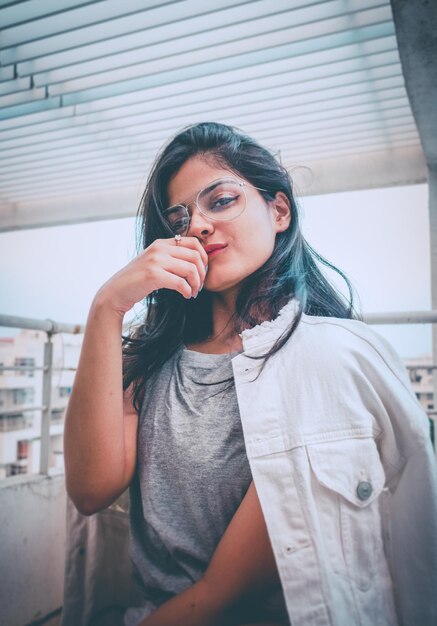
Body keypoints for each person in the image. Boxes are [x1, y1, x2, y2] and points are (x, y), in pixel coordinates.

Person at [64, 122, 437, 626]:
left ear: (279, 210)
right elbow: (91, 490)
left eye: (220, 201)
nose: (196, 225)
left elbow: (224, 592)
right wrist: (106, 307)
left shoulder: (322, 361)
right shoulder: (149, 359)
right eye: (179, 217)